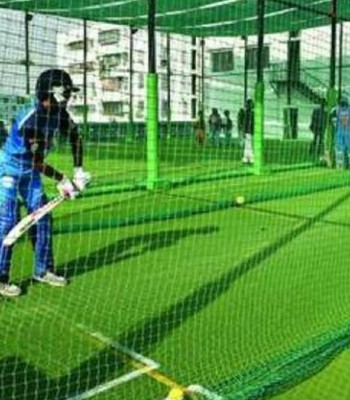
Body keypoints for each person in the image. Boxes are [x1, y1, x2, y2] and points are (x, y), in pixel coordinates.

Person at [0, 69, 91, 297]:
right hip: (9, 169)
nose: (69, 98)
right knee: (8, 221)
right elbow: (38, 161)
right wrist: (63, 179)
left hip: (30, 172)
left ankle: (44, 270)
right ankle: (1, 278)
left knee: (43, 218)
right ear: (51, 93)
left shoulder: (59, 114)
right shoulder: (31, 118)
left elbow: (75, 137)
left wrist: (78, 171)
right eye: (66, 93)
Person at [334, 96, 350, 169]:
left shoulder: (337, 110)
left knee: (339, 150)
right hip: (348, 132)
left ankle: (339, 166)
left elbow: (333, 120)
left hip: (340, 133)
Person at [242, 98, 254, 164]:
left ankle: (246, 159)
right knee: (249, 145)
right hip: (248, 131)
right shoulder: (247, 113)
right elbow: (245, 123)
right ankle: (250, 159)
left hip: (249, 131)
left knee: (248, 145)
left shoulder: (249, 112)